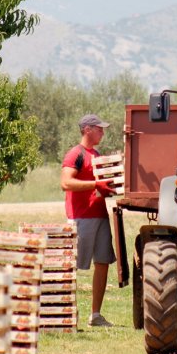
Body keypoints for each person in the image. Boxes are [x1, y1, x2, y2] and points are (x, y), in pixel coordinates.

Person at [60, 114, 117, 327]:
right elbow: (66, 183)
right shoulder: (75, 154)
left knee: (102, 263)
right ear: (87, 129)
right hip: (81, 217)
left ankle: (96, 315)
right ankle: (66, 312)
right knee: (71, 265)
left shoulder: (97, 154)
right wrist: (95, 185)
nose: (102, 132)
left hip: (100, 215)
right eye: (99, 128)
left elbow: (99, 184)